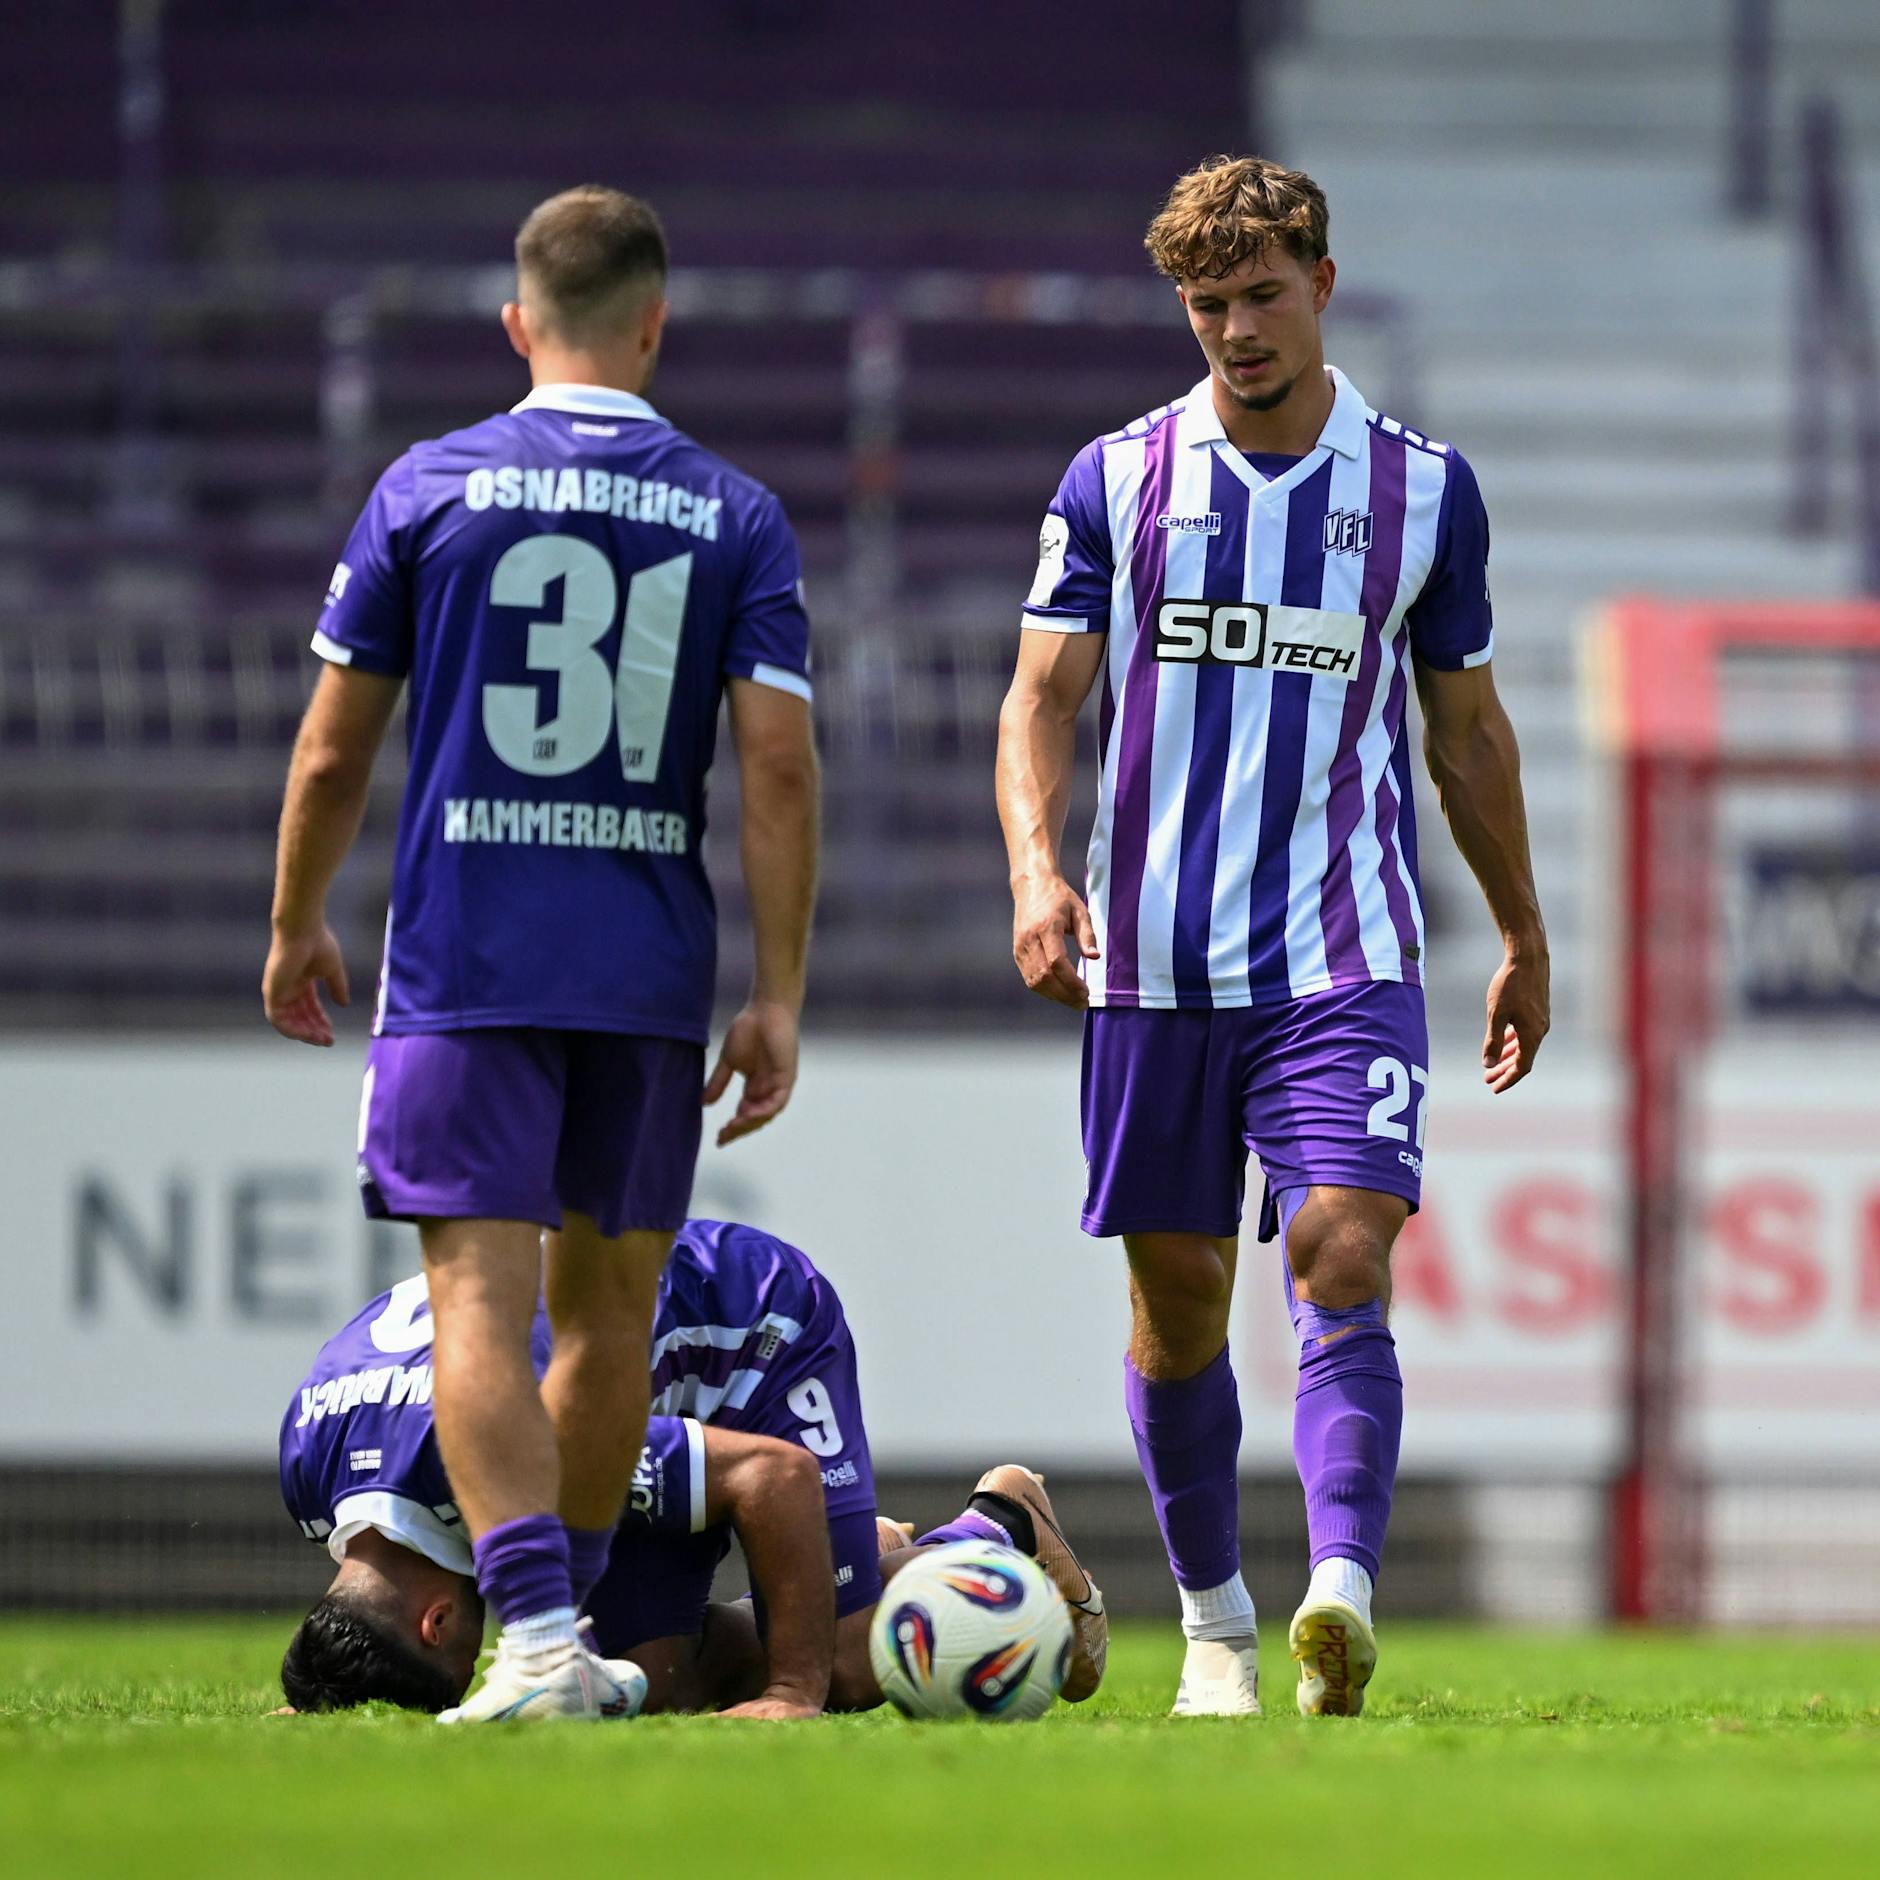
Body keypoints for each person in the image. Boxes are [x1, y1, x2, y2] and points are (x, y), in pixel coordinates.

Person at [994, 155, 1548, 1718]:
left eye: (1258, 295)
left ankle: (1342, 1598)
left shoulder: (1424, 491)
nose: (1234, 329)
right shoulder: (1116, 479)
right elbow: (1042, 700)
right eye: (1205, 304)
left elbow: (1469, 736)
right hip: (1154, 963)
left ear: (1319, 280)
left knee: (1343, 1250)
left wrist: (1522, 929)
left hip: (1341, 951)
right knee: (1176, 1311)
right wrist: (1040, 874)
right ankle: (1219, 1630)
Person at [262, 185, 819, 1722]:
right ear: (654, 325)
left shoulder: (426, 489)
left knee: (473, 1303)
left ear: (519, 323)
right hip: (644, 973)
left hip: (468, 963)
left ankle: (532, 1643)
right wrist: (776, 993)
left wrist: (297, 914)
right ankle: (557, 1634)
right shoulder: (735, 512)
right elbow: (776, 769)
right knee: (608, 1316)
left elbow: (329, 752)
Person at [278, 1219, 1107, 1716]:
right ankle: (847, 1560)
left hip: (750, 1329)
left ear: (435, 1625)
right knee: (649, 1683)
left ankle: (997, 1526)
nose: (479, 1663)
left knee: (848, 1661)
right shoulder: (308, 1463)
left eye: (459, 1674)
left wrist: (792, 1689)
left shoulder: (518, 1447)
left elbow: (775, 1477)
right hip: (625, 1379)